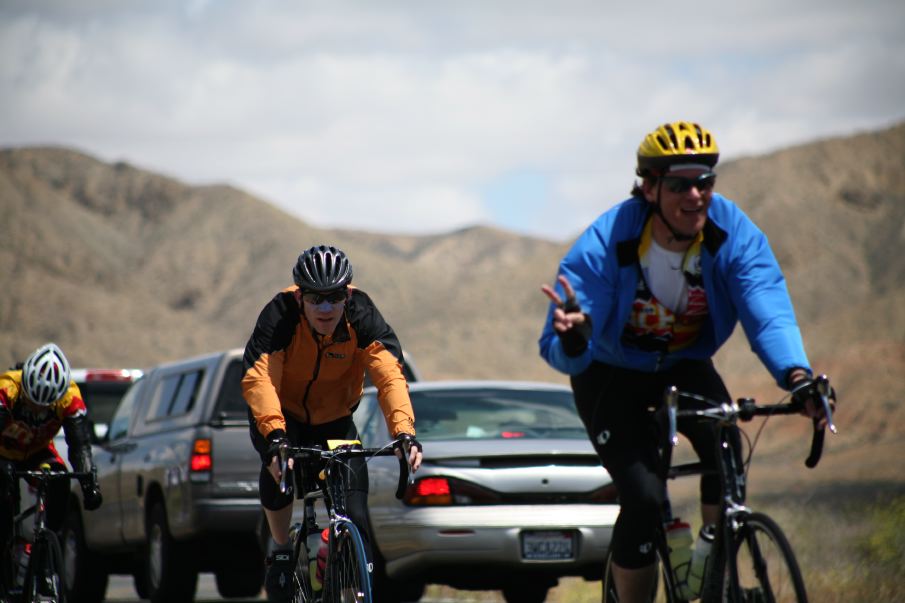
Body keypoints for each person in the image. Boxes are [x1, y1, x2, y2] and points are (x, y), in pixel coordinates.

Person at [538, 121, 832, 602]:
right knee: (645, 498)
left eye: (705, 182)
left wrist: (796, 376)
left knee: (728, 455)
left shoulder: (730, 232)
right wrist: (576, 339)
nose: (695, 195)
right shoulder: (608, 239)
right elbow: (562, 333)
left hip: (683, 365)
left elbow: (765, 307)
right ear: (650, 188)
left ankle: (713, 574)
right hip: (610, 373)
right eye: (679, 184)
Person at [242, 244, 423, 603]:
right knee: (279, 475)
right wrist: (276, 437)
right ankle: (280, 549)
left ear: (347, 294)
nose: (325, 308)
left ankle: (347, 576)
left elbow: (389, 378)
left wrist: (404, 434)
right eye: (315, 298)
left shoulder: (362, 315)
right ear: (301, 298)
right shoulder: (280, 315)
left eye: (334, 297)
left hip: (336, 421)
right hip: (284, 417)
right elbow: (260, 379)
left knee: (356, 514)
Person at [0, 343, 103, 570]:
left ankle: (45, 545)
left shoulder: (70, 397)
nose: (37, 409)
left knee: (59, 477)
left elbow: (80, 445)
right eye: (31, 401)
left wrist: (89, 485)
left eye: (44, 406)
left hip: (37, 452)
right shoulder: (7, 387)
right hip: (3, 452)